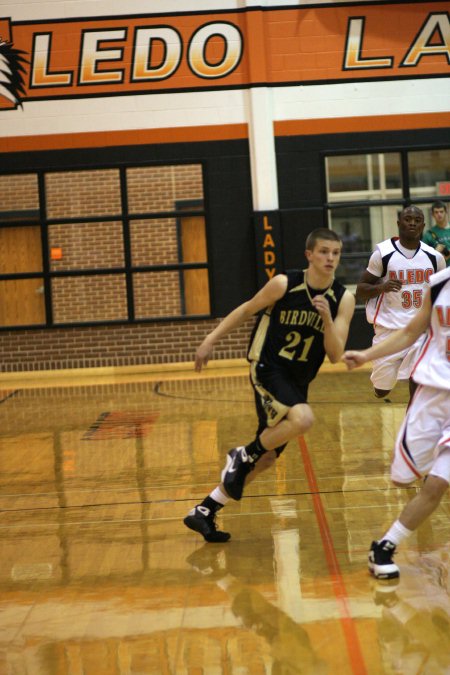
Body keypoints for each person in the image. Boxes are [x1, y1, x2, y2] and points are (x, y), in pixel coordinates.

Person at [183, 228, 355, 542]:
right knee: (303, 419)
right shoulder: (284, 284)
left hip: (298, 381)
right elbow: (245, 309)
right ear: (310, 255)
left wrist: (328, 320)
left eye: (336, 253)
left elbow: (334, 354)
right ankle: (242, 453)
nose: (330, 258)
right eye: (324, 252)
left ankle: (206, 509)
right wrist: (209, 341)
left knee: (266, 458)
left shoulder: (343, 299)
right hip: (268, 368)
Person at [342, 265, 450, 580]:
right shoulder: (440, 283)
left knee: (437, 484)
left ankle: (385, 549)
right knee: (404, 480)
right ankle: (383, 546)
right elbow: (409, 332)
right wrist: (366, 355)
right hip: (433, 392)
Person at [356, 205, 445, 401]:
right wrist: (382, 287)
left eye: (416, 219)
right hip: (389, 330)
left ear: (422, 225)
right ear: (399, 223)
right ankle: (382, 386)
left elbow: (441, 295)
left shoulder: (434, 258)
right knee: (382, 390)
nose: (412, 222)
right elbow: (360, 290)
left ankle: (412, 424)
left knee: (417, 381)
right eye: (407, 219)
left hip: (419, 330)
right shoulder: (384, 254)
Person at [422, 200, 450, 267]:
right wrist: (435, 252)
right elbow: (422, 256)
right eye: (436, 212)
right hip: (440, 272)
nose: (439, 214)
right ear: (433, 214)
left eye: (441, 211)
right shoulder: (428, 234)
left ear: (446, 212)